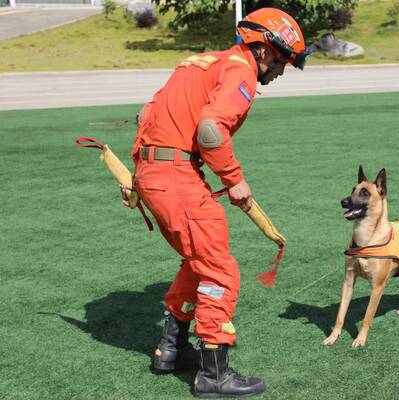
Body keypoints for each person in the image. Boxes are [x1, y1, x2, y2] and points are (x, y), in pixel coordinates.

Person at [129, 8, 310, 398]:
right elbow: (210, 129)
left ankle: (171, 350)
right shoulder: (240, 69)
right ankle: (213, 373)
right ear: (264, 50)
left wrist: (139, 174)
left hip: (155, 172)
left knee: (199, 259)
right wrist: (234, 180)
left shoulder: (202, 62)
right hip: (176, 178)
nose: (279, 73)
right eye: (282, 62)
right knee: (219, 270)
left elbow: (147, 113)